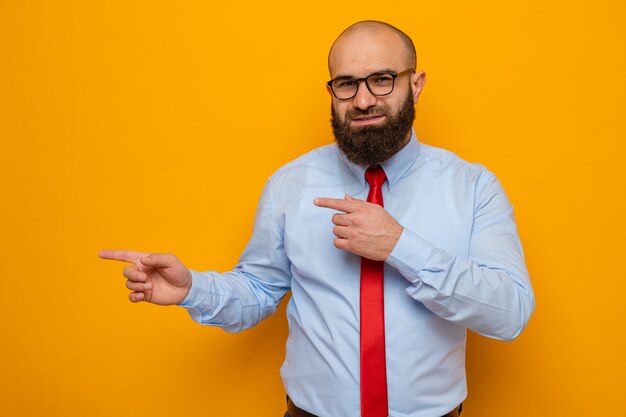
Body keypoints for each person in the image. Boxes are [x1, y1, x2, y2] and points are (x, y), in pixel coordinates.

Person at [100, 20, 535, 417]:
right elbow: (258, 289)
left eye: (382, 80)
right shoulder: (290, 184)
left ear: (416, 84)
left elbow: (510, 313)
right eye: (347, 84)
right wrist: (194, 288)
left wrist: (401, 247)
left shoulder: (473, 187)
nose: (363, 100)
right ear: (331, 93)